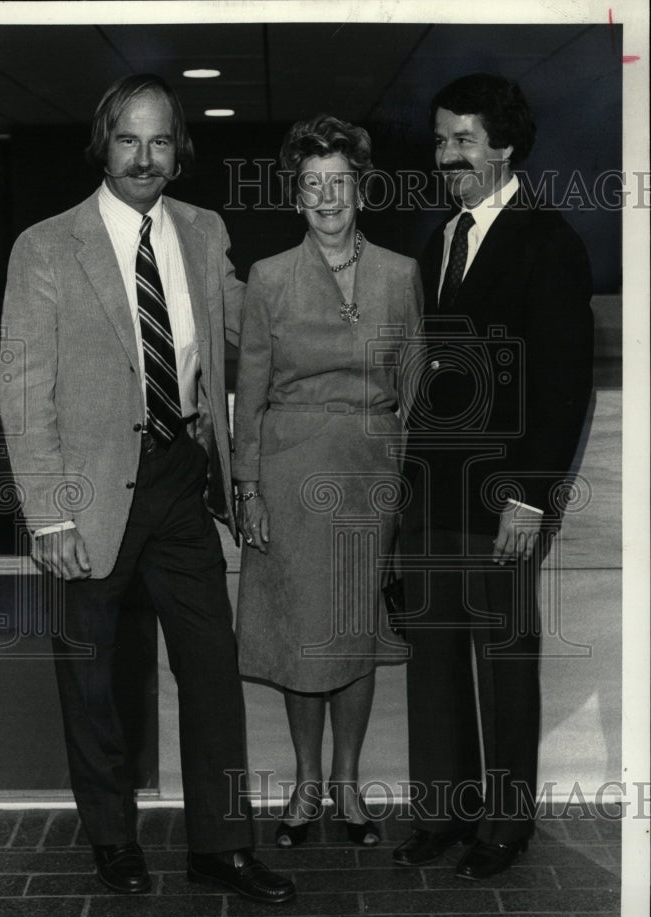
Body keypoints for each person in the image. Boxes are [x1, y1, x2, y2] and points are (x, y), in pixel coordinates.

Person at [0, 74, 295, 904]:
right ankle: (112, 838)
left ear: (178, 152)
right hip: (88, 493)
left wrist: (335, 280)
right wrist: (49, 514)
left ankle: (220, 848)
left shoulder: (203, 231)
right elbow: (25, 392)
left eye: (160, 140)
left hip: (179, 478)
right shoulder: (46, 246)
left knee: (210, 670)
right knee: (92, 680)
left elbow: (250, 330)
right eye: (128, 139)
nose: (143, 156)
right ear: (104, 143)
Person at [395, 74, 594, 878]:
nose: (448, 155)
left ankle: (506, 828)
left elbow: (563, 382)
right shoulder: (439, 239)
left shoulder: (547, 239)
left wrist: (528, 496)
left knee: (503, 665)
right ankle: (446, 814)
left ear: (504, 146)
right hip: (431, 494)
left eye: (464, 139)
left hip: (502, 497)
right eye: (441, 139)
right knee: (434, 663)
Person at [232, 114, 424, 848]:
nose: (325, 198)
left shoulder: (399, 274)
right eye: (310, 185)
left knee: (353, 631)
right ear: (296, 194)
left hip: (368, 474)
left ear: (360, 188)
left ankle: (347, 784)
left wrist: (404, 480)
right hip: (287, 475)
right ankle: (305, 783)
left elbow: (412, 387)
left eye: (337, 182)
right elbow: (248, 393)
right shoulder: (270, 278)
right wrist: (248, 489)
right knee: (299, 632)